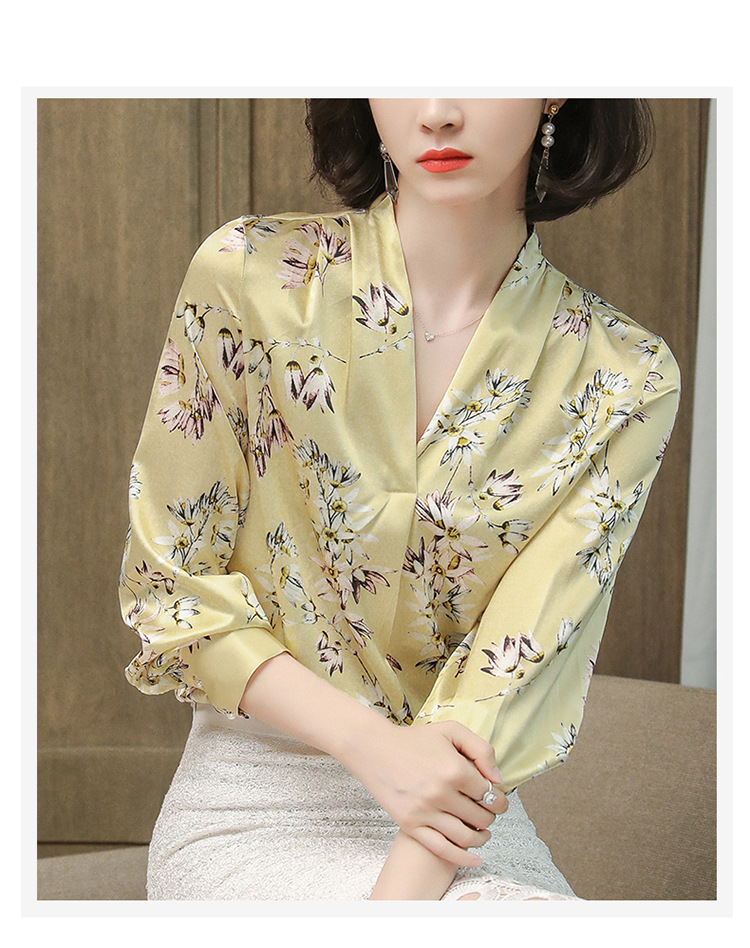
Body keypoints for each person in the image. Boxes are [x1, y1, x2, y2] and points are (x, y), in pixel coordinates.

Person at [118, 98, 680, 901]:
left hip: (465, 827)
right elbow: (173, 592)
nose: (439, 111)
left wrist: (402, 898)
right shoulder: (248, 275)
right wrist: (378, 751)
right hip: (254, 805)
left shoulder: (624, 375)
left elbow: (507, 678)